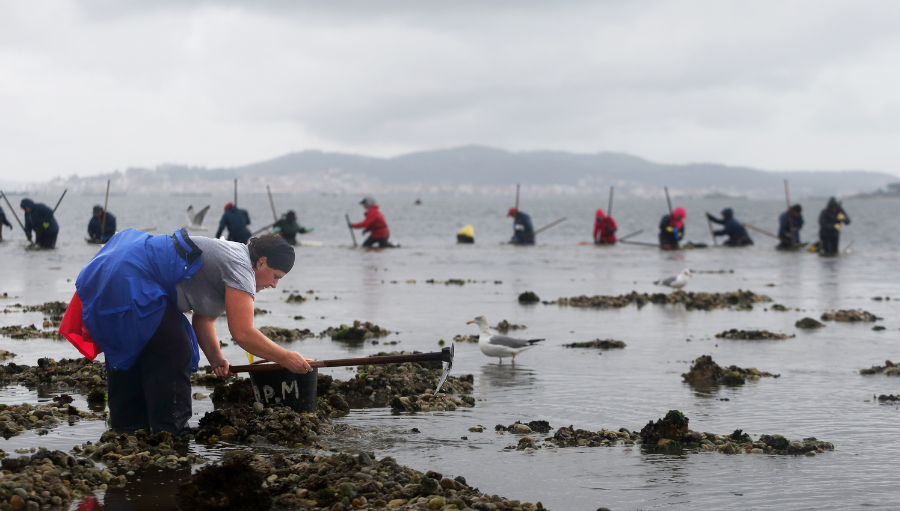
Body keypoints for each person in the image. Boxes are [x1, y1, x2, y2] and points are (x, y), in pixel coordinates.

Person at [58, 231, 312, 434]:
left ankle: (127, 428)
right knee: (174, 351)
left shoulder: (232, 255)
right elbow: (243, 333)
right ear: (262, 262)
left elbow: (204, 320)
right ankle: (171, 431)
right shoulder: (241, 267)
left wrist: (216, 359)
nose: (275, 284)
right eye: (276, 276)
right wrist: (286, 358)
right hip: (132, 274)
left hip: (115, 264)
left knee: (134, 349)